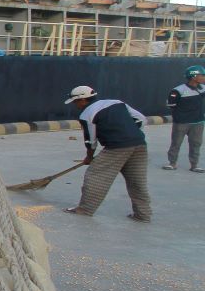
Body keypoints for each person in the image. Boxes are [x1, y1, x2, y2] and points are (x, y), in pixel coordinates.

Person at [62, 85, 151, 222]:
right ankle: (143, 215)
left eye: (75, 102)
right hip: (139, 144)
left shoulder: (87, 114)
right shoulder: (117, 102)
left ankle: (85, 210)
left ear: (82, 100)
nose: (75, 105)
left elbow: (90, 140)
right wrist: (128, 134)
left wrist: (89, 157)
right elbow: (141, 119)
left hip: (116, 147)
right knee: (137, 181)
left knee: (95, 177)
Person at [163, 64, 205, 172]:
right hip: (181, 123)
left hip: (198, 122)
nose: (204, 77)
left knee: (196, 144)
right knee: (176, 143)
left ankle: (194, 165)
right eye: (202, 75)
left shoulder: (203, 88)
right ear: (193, 76)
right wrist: (179, 117)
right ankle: (172, 163)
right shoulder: (178, 90)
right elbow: (171, 105)